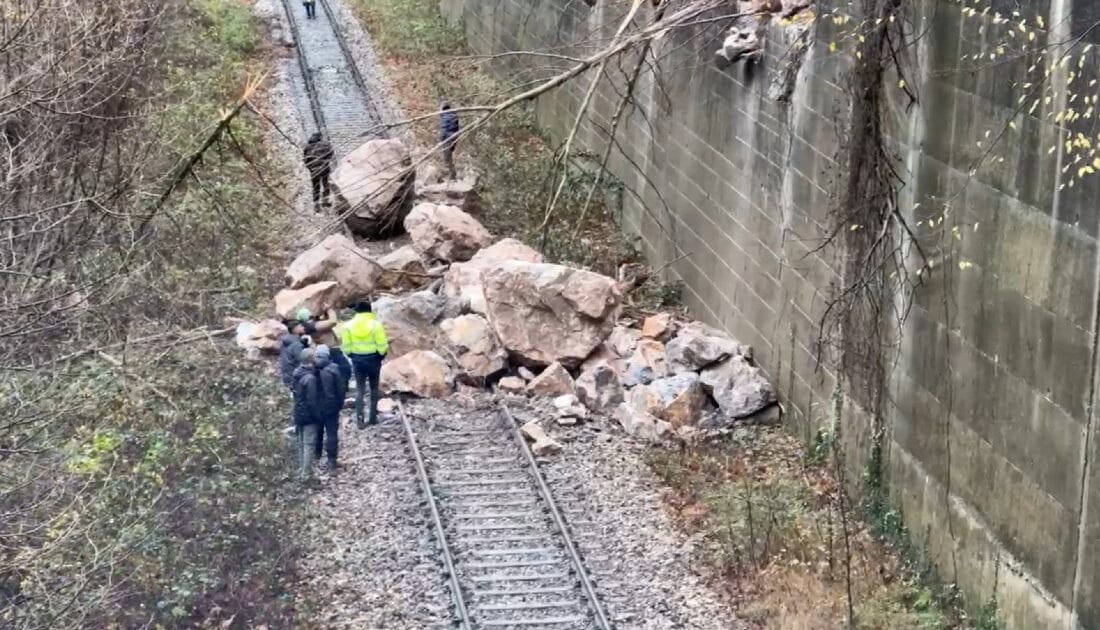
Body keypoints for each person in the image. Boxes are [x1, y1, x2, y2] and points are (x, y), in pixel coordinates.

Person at [338, 300, 388, 429]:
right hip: (374, 360)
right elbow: (382, 344)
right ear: (369, 310)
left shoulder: (348, 326)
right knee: (374, 389)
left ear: (357, 311)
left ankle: (359, 420)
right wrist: (380, 355)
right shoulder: (375, 325)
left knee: (360, 389)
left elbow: (346, 347)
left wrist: (353, 356)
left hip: (357, 360)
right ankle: (372, 418)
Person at [313, 345, 348, 471]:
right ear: (328, 355)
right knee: (332, 433)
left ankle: (316, 455)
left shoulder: (311, 368)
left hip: (316, 406)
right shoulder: (334, 369)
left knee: (318, 430)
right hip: (331, 406)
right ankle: (332, 460)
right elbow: (340, 389)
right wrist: (339, 404)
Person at [292, 348, 324, 481]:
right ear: (311, 359)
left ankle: (301, 470)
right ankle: (306, 475)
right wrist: (318, 416)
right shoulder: (310, 379)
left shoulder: (296, 373)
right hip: (309, 416)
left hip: (298, 412)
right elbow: (312, 401)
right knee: (309, 445)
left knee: (301, 443)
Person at [303, 132, 334, 210]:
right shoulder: (326, 144)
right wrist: (326, 162)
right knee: (325, 184)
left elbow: (306, 159)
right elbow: (331, 153)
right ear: (320, 137)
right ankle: (325, 201)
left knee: (316, 186)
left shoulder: (308, 147)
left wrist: (310, 168)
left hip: (314, 169)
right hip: (324, 168)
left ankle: (316, 204)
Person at [439, 103, 459, 180]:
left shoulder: (445, 117)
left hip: (447, 138)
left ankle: (451, 177)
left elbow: (444, 130)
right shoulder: (454, 115)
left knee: (447, 157)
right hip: (454, 137)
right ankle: (452, 175)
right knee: (450, 155)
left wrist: (441, 138)